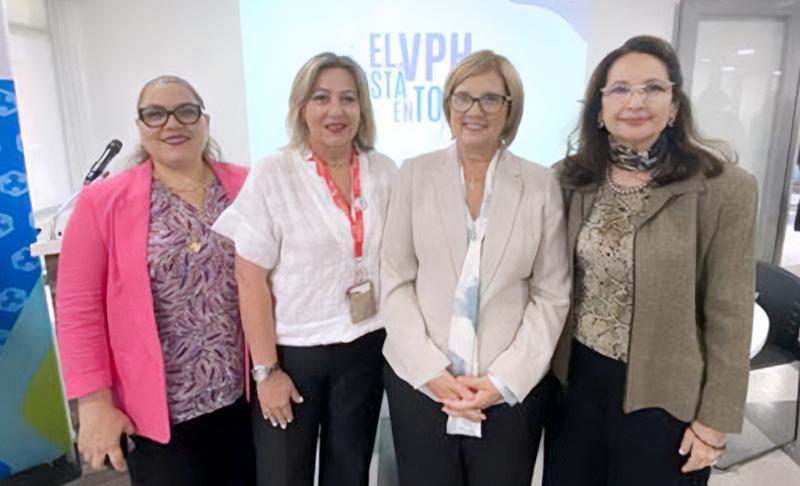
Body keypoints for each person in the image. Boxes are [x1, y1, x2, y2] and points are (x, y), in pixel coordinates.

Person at [546, 35, 758, 486]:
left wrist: (714, 423)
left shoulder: (723, 188)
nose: (635, 101)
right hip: (575, 385)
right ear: (599, 109)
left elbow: (731, 314)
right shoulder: (570, 179)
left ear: (675, 104)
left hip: (667, 400)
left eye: (653, 88)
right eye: (619, 89)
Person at [381, 49, 571, 486]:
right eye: (462, 98)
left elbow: (551, 293)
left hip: (507, 390)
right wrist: (431, 371)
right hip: (421, 382)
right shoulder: (414, 174)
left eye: (490, 99)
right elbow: (394, 279)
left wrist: (503, 380)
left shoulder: (540, 184)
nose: (474, 110)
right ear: (448, 104)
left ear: (510, 108)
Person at [56, 75, 255, 485]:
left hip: (245, 398)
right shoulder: (103, 202)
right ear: (140, 127)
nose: (172, 124)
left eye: (186, 111)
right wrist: (93, 402)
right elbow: (79, 309)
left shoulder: (247, 185)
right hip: (162, 411)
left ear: (205, 121)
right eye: (155, 114)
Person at [212, 52, 396, 486]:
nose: (336, 111)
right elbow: (249, 278)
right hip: (294, 357)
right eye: (322, 98)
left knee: (349, 471)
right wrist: (267, 372)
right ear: (301, 108)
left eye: (348, 99)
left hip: (366, 347)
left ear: (362, 108)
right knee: (283, 475)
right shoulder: (274, 173)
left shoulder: (384, 171)